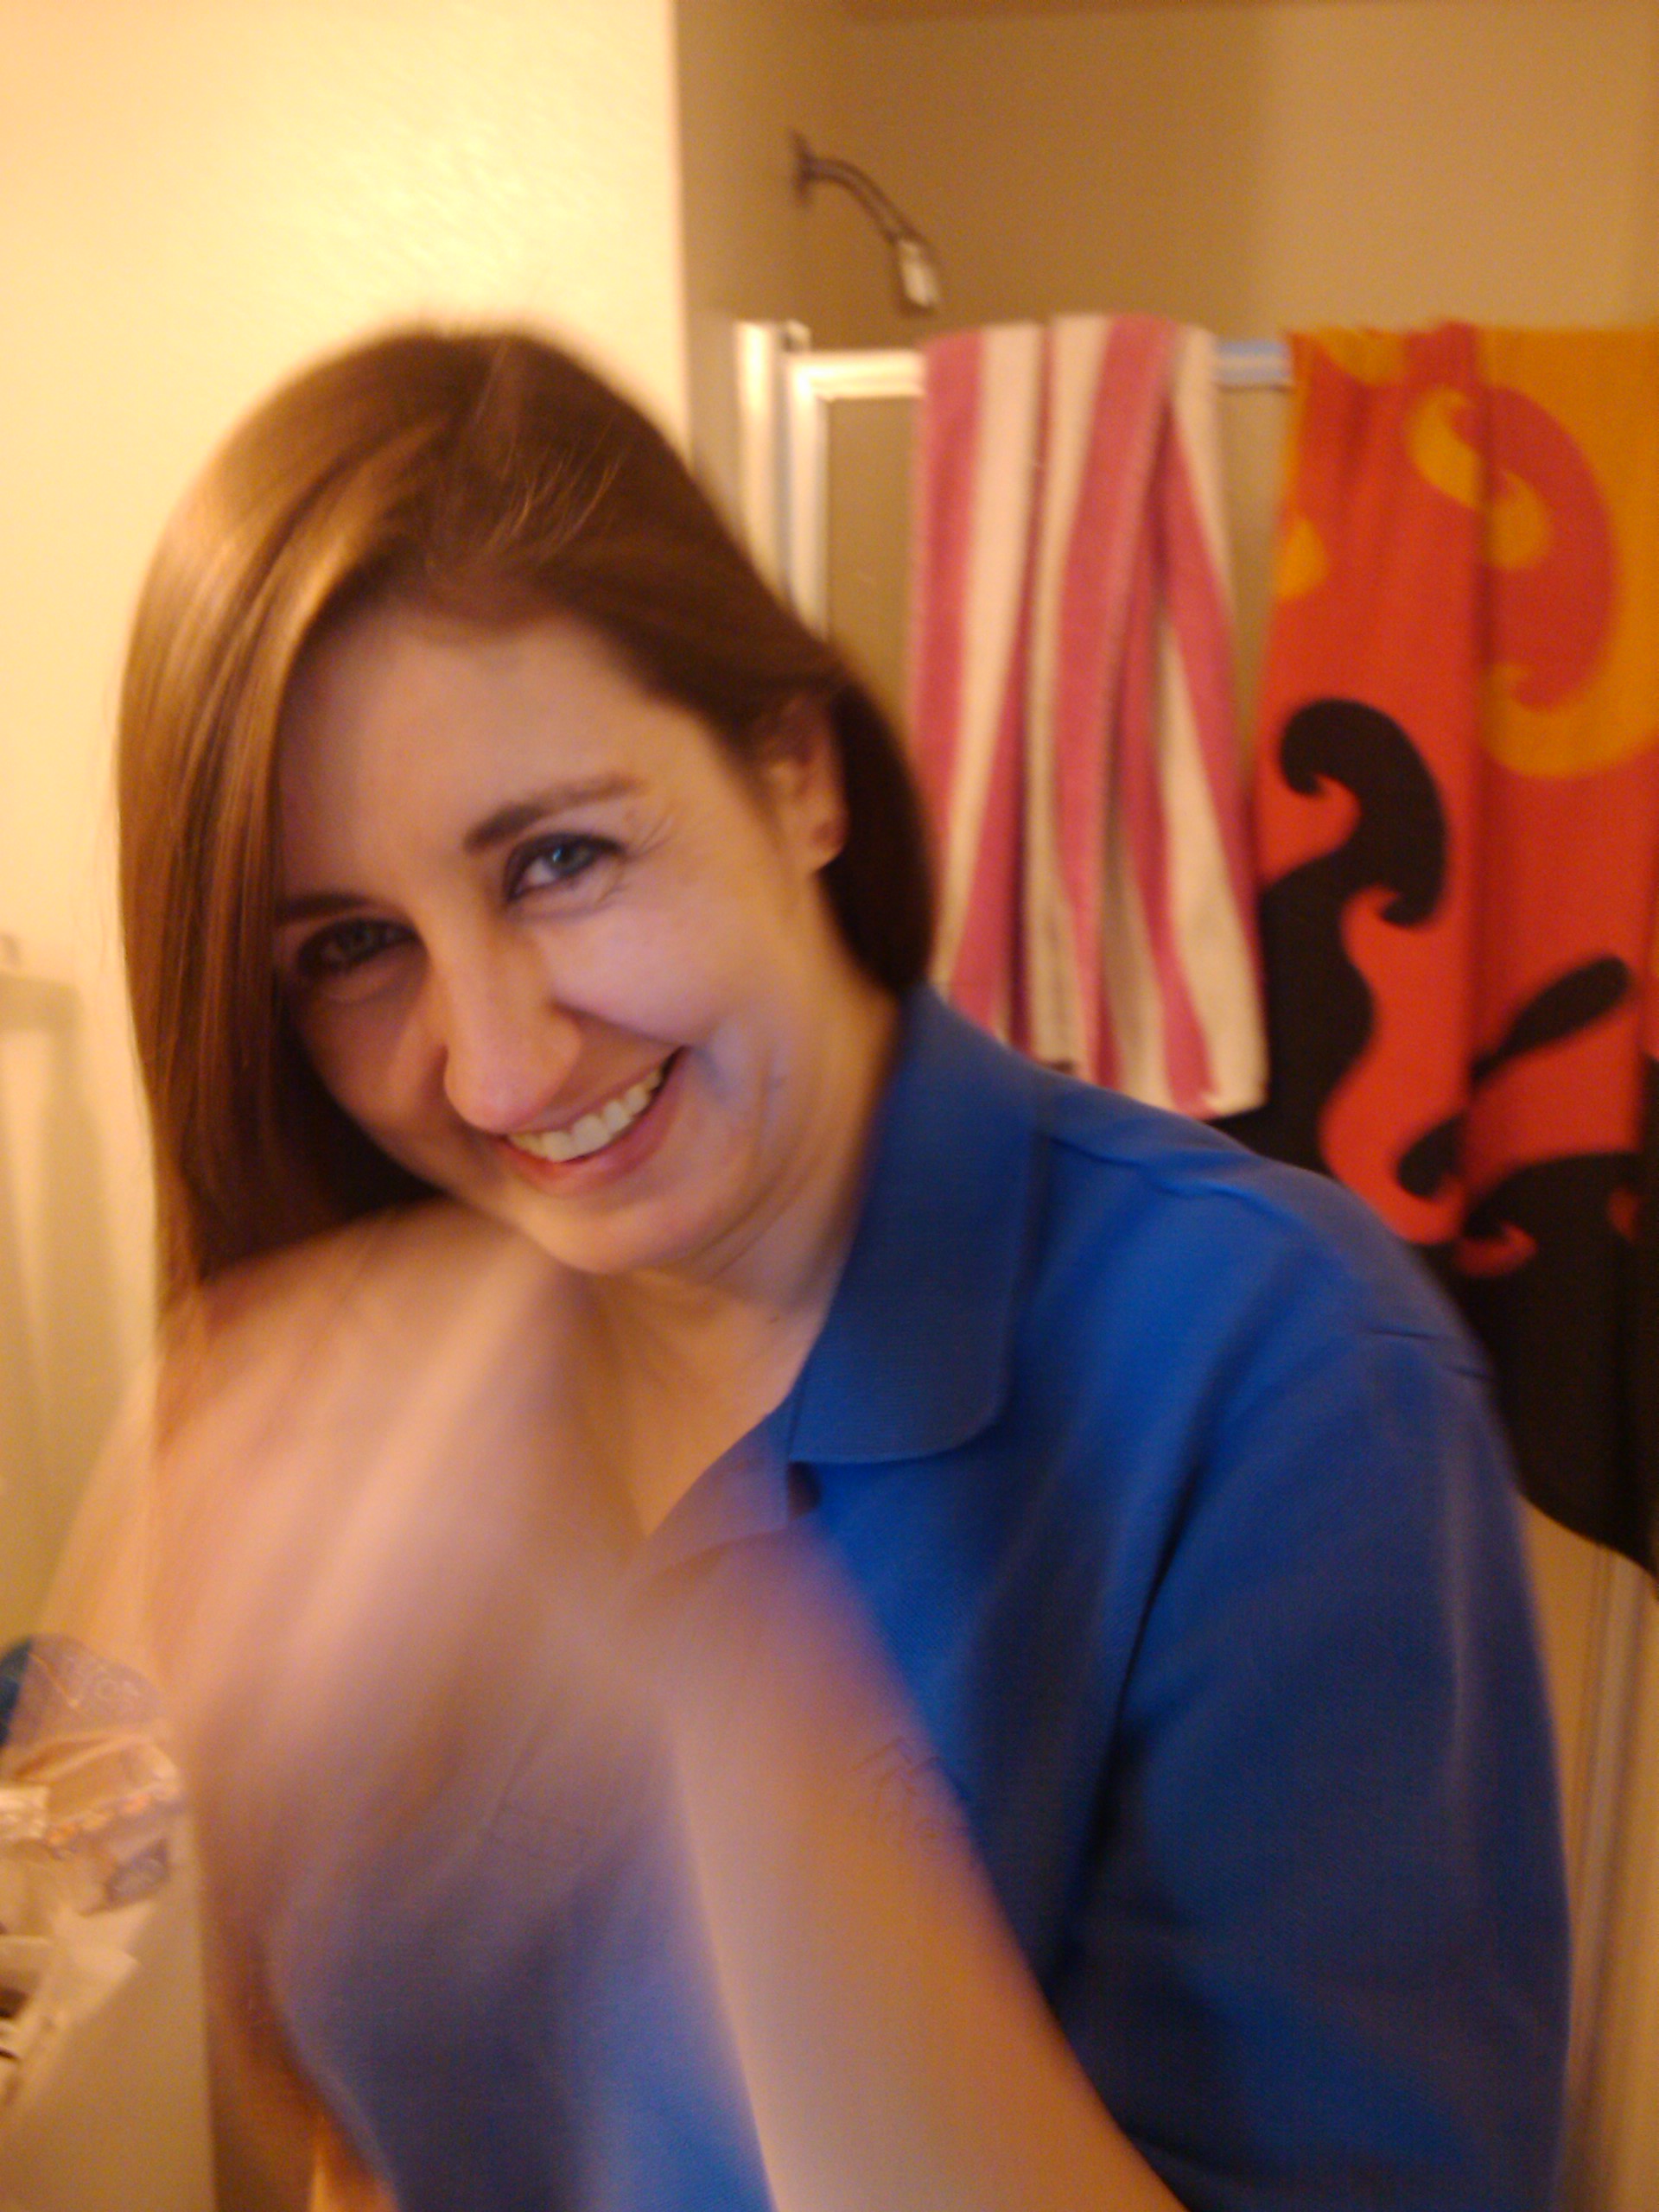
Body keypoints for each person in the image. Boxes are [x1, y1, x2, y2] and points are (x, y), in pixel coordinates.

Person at [103, 327, 1566, 2211]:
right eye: (353, 948)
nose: (499, 1068)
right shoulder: (384, 1402)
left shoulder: (1280, 1368)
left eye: (557, 859)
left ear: (794, 772)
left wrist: (712, 1717)